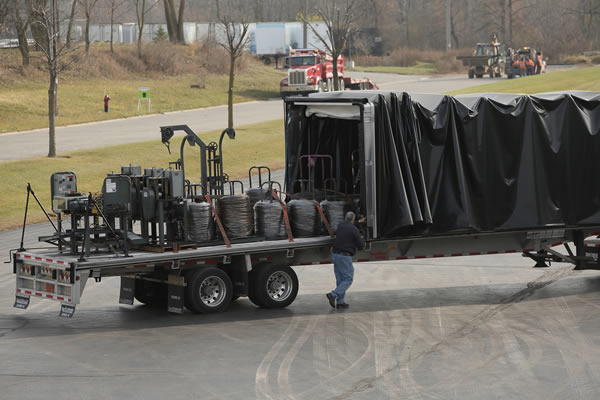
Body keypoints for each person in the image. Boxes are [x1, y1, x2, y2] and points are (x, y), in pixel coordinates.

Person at [326, 211, 365, 309]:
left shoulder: (341, 225)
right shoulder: (354, 229)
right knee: (348, 279)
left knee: (340, 280)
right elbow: (360, 245)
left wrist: (359, 222)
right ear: (352, 219)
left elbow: (349, 226)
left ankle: (340, 302)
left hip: (335, 255)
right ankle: (333, 294)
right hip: (344, 256)